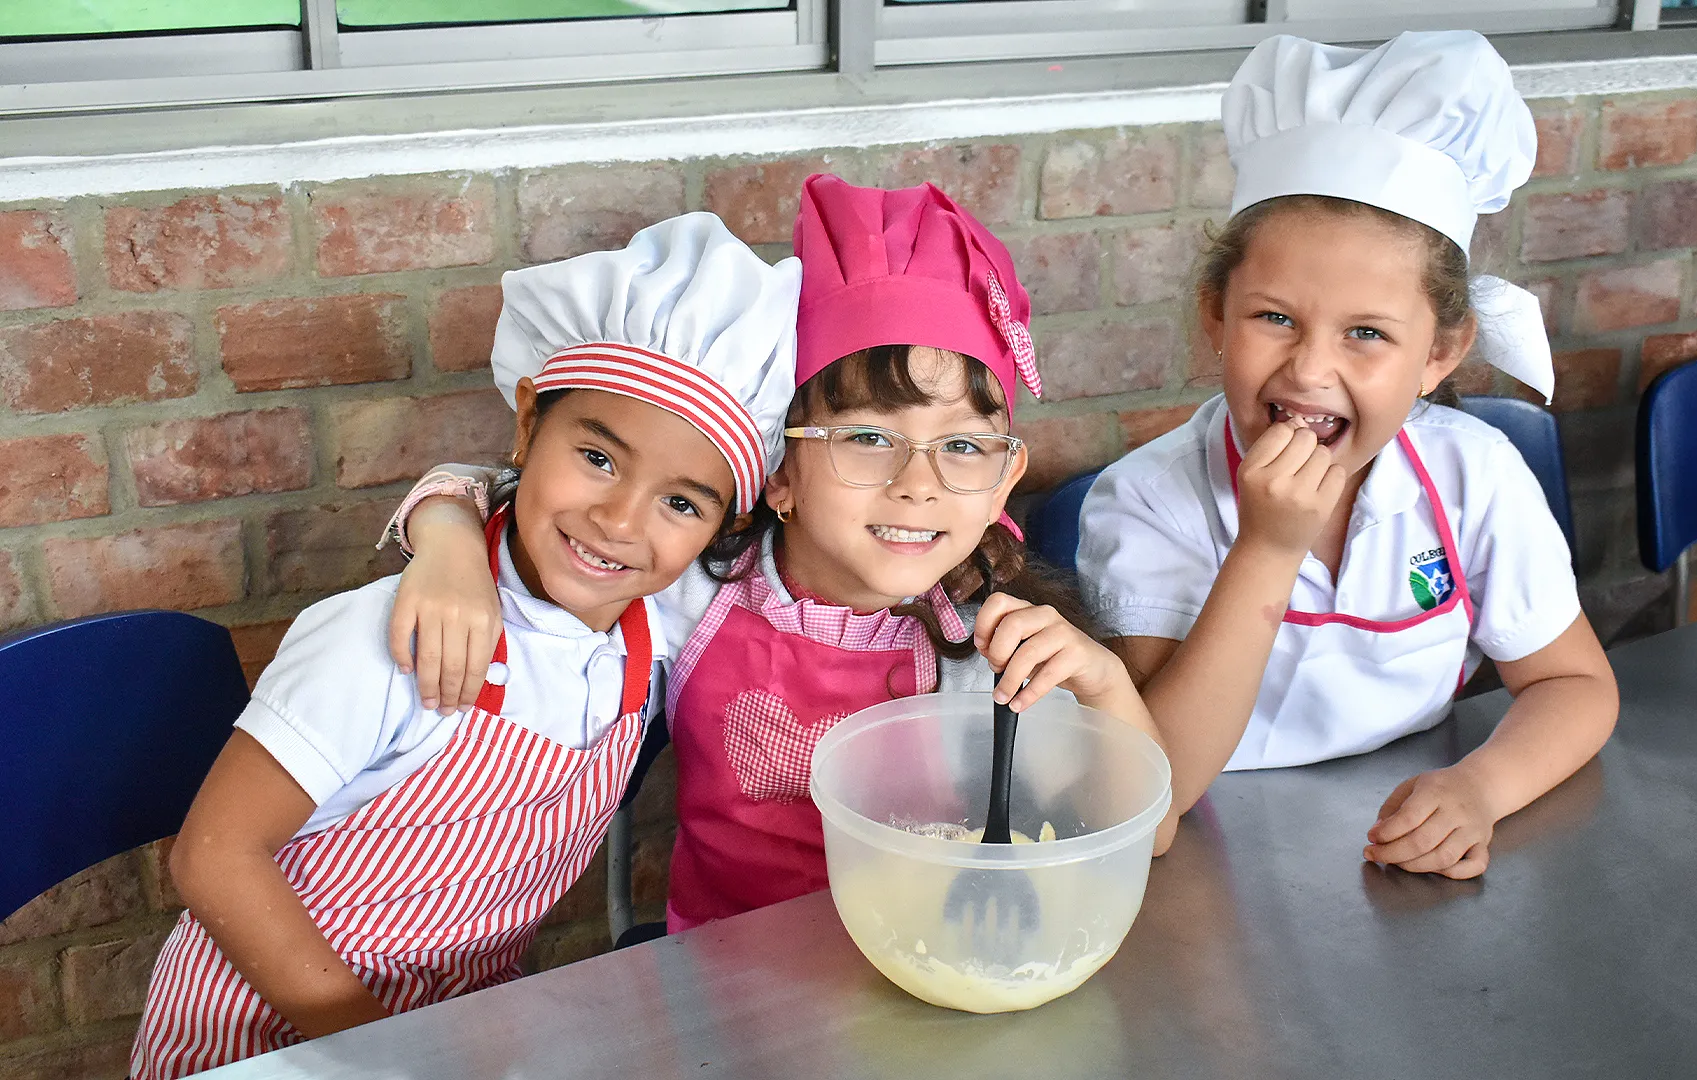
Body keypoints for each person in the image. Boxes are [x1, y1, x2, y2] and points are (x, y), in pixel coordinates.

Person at [382, 174, 1174, 935]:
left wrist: (1104, 683)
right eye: (868, 438)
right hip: (723, 975)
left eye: (963, 447)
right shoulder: (693, 589)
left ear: (1006, 477)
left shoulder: (986, 649)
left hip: (927, 966)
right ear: (780, 476)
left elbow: (1150, 832)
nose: (918, 485)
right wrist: (448, 543)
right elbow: (520, 498)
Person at [128, 213, 799, 1078]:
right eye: (597, 456)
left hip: (462, 1028)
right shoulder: (380, 642)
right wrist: (389, 1053)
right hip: (267, 1037)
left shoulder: (664, 615)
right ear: (527, 425)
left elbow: (845, 569)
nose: (621, 521)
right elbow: (213, 858)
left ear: (724, 522)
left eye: (682, 504)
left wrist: (442, 518)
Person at [1079, 31, 1618, 881]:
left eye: (1366, 334)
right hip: (1198, 871)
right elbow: (1156, 784)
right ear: (1215, 317)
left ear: (1439, 354)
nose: (1309, 369)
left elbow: (1575, 686)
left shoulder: (1475, 477)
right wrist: (1267, 547)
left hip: (1390, 856)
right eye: (1274, 318)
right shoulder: (1145, 501)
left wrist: (1480, 788)